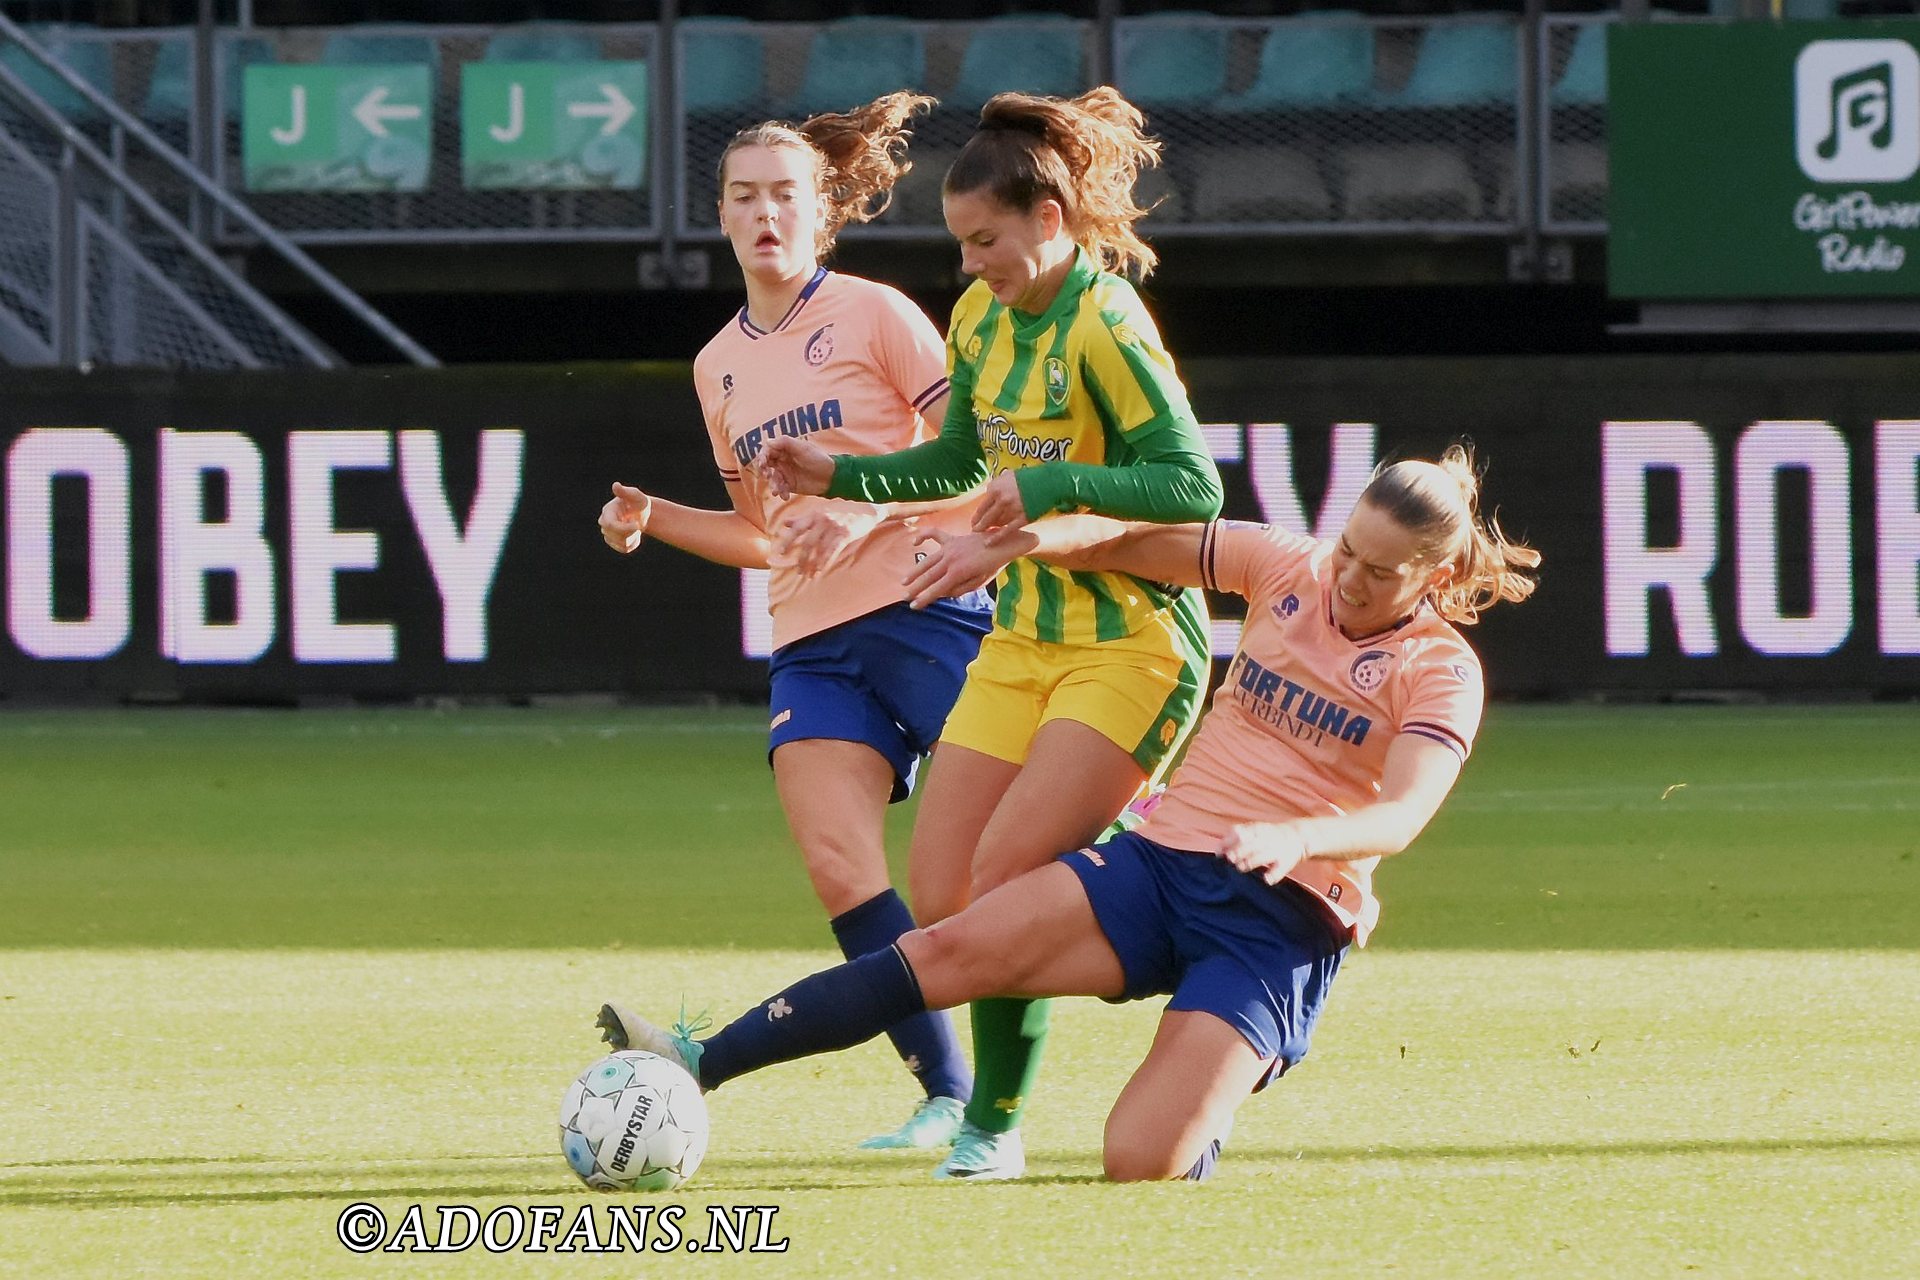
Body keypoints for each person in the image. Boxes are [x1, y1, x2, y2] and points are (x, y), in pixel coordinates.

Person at [600, 446, 1539, 1181]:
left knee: (1139, 1161)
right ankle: (696, 1060)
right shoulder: (1286, 567)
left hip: (1280, 922)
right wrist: (1020, 540)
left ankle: (1215, 1081)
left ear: (1434, 576)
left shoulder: (1441, 670)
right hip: (1165, 864)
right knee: (953, 944)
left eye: (1380, 573)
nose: (1348, 581)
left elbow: (1405, 813)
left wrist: (1300, 835)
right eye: (1347, 552)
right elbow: (1126, 541)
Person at [753, 87, 1224, 1179]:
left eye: (986, 241)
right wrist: (846, 473)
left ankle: (996, 1124)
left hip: (1133, 642)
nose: (971, 266)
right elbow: (962, 463)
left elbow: (1193, 486)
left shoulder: (1105, 321)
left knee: (1012, 878)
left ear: (1049, 222)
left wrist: (1051, 480)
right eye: (961, 244)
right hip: (1023, 633)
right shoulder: (978, 318)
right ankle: (1168, 918)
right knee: (946, 886)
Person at [595, 92, 993, 1151]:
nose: (764, 212)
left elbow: (977, 462)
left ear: (824, 211)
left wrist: (859, 507)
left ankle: (1003, 1084)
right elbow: (765, 530)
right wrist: (656, 518)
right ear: (719, 217)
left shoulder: (877, 314)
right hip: (812, 643)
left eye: (785, 194)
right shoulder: (714, 366)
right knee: (839, 867)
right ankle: (950, 1094)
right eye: (744, 197)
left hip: (929, 610)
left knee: (989, 868)